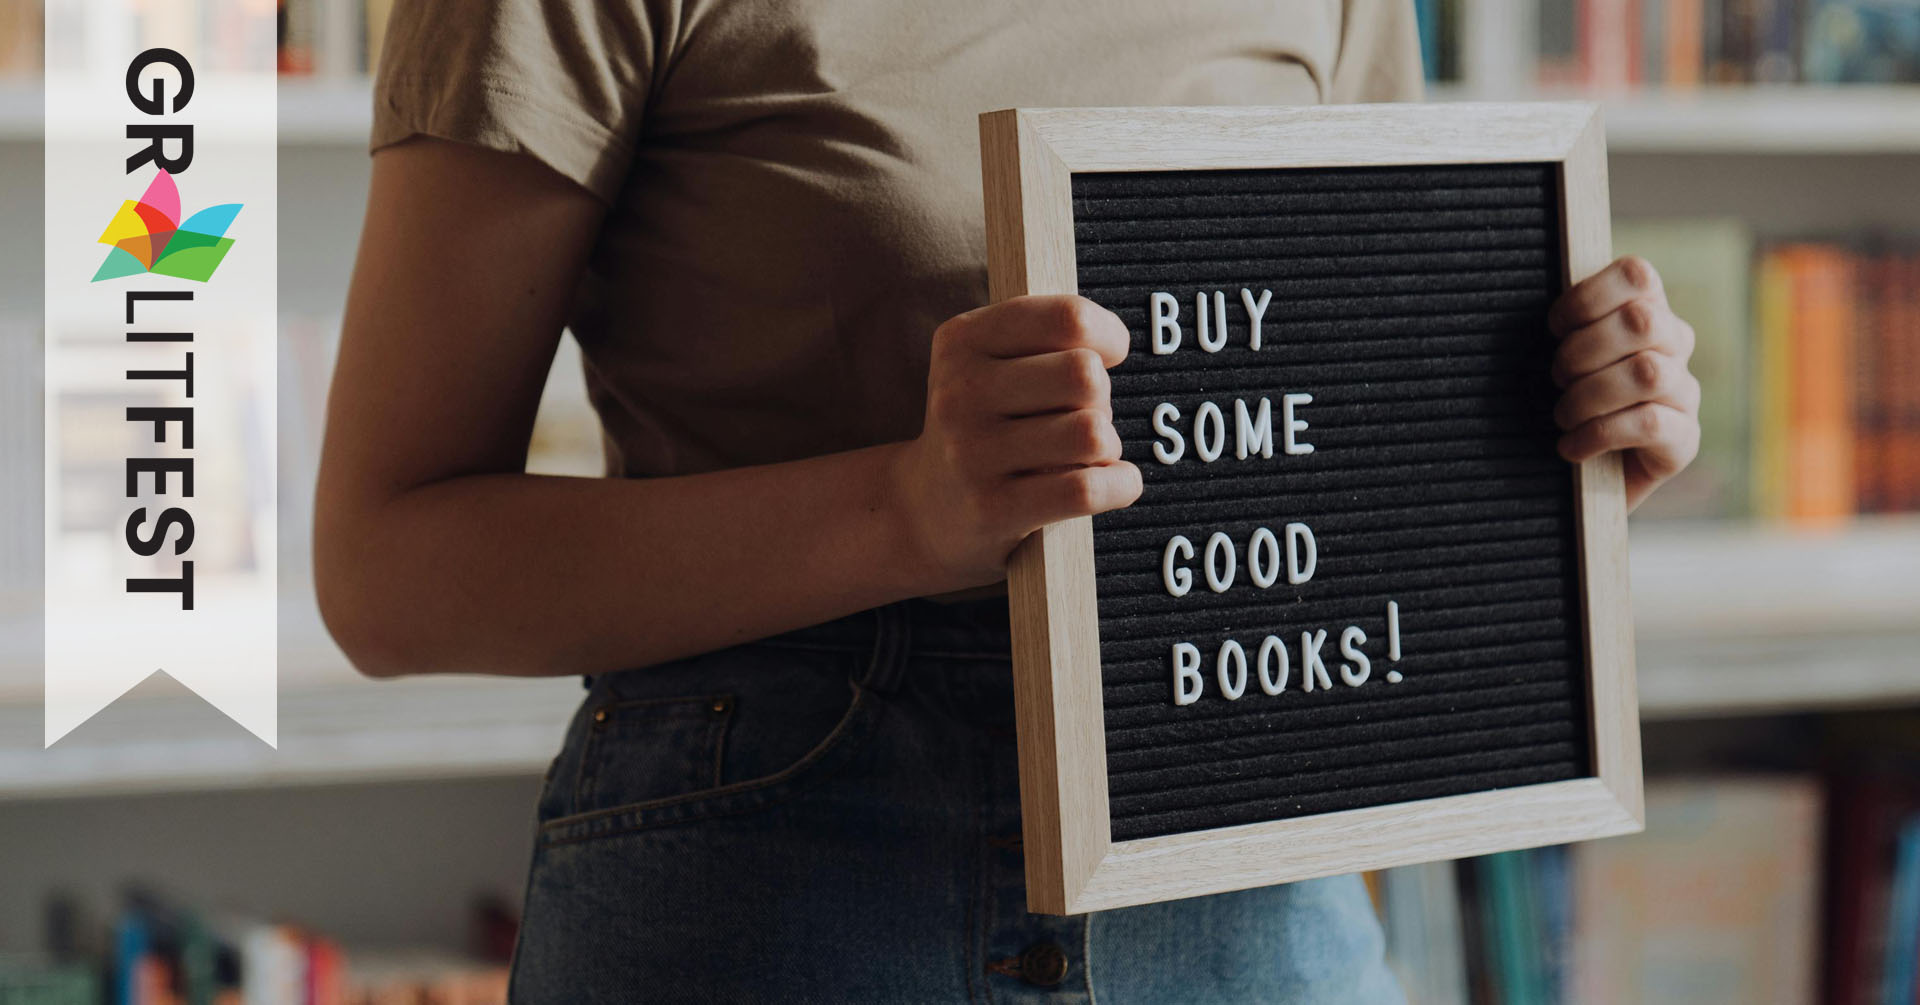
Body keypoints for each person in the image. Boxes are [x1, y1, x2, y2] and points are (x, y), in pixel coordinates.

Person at [313, 1, 1703, 1000]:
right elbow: (385, 569)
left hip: (1239, 873)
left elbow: (1341, 411)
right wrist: (903, 511)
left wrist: (1542, 462)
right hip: (778, 870)